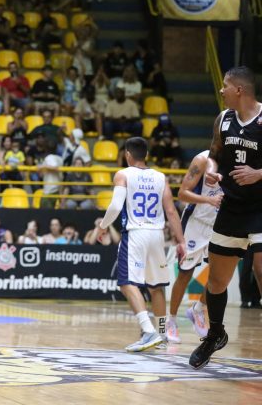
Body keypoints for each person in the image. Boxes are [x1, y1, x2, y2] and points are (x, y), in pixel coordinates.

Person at [189, 67, 262, 369]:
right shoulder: (223, 119)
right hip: (231, 207)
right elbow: (215, 152)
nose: (221, 91)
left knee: (260, 269)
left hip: (260, 208)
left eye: (225, 86)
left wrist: (258, 174)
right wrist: (212, 171)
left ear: (240, 90)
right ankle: (215, 334)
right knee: (217, 281)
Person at [98, 137, 186, 352]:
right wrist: (181, 240)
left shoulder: (123, 174)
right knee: (156, 287)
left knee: (126, 283)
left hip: (136, 234)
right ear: (146, 154)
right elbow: (171, 211)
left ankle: (148, 331)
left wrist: (102, 226)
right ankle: (162, 334)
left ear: (127, 154)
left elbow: (115, 206)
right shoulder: (160, 177)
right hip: (157, 235)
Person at [165, 150, 222, 344]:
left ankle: (198, 309)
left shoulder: (237, 159)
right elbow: (182, 194)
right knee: (184, 275)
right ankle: (171, 321)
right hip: (195, 224)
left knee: (219, 275)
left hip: (219, 224)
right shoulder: (201, 160)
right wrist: (208, 200)